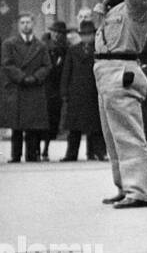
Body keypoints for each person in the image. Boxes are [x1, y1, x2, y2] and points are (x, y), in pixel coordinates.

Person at [94, 0, 147, 208]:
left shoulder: (136, 7)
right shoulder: (111, 8)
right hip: (105, 74)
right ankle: (123, 186)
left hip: (123, 72)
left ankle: (137, 191)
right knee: (112, 136)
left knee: (128, 135)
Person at [2, 12, 52, 163]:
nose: (25, 25)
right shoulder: (9, 44)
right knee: (16, 126)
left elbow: (47, 65)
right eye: (22, 22)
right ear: (18, 25)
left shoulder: (41, 46)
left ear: (33, 24)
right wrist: (22, 77)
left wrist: (35, 77)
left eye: (28, 22)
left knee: (32, 125)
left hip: (34, 88)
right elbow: (6, 64)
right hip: (18, 87)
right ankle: (15, 155)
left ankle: (32, 155)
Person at [61, 19, 106, 161]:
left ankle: (98, 152)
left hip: (94, 92)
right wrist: (64, 91)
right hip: (76, 93)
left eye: (89, 34)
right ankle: (71, 154)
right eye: (84, 34)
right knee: (74, 128)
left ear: (94, 35)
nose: (87, 37)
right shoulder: (73, 50)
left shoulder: (100, 50)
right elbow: (67, 71)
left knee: (96, 127)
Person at [40, 20, 69, 161]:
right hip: (44, 87)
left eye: (60, 33)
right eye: (55, 32)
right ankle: (39, 149)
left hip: (57, 88)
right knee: (42, 119)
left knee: (53, 120)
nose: (57, 35)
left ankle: (46, 148)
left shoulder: (66, 49)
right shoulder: (43, 47)